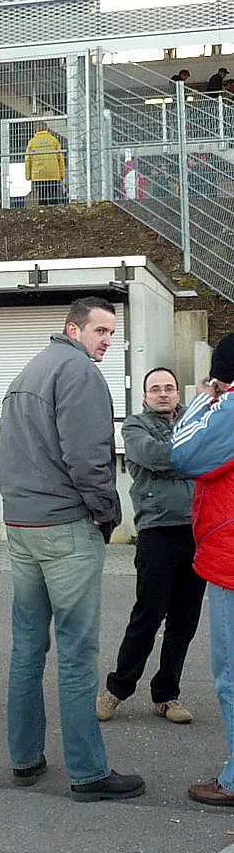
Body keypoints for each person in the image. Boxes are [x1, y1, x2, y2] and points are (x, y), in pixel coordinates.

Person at [0, 296, 144, 801]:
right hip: (65, 525)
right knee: (78, 653)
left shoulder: (27, 372)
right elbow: (88, 457)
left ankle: (24, 757)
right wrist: (107, 511)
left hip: (22, 525)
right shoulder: (78, 373)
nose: (107, 340)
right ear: (73, 329)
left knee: (27, 647)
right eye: (100, 330)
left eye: (111, 332)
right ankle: (88, 772)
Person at [96, 368, 203, 727]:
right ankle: (117, 689)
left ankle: (166, 695)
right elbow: (158, 457)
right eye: (155, 389)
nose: (162, 393)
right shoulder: (134, 427)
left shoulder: (196, 417)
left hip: (195, 533)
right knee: (148, 616)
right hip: (157, 533)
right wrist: (190, 455)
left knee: (184, 622)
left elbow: (208, 458)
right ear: (144, 396)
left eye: (169, 388)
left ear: (177, 393)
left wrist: (187, 455)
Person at [170, 334, 234, 807]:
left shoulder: (228, 410)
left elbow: (184, 454)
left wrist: (200, 400)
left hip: (231, 559)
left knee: (231, 675)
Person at [24, 125, 66, 206]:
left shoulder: (32, 142)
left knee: (42, 198)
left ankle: (42, 213)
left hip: (38, 175)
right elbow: (60, 157)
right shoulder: (54, 140)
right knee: (53, 197)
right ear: (47, 129)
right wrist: (62, 174)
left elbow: (27, 159)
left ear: (35, 130)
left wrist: (28, 175)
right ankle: (54, 214)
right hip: (53, 174)